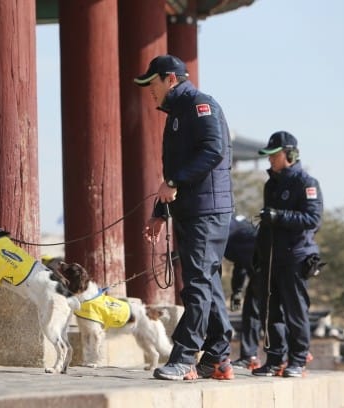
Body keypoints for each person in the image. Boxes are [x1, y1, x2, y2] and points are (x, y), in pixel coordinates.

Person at [136, 54, 235, 381]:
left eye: (152, 82)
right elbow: (173, 175)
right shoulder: (178, 112)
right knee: (208, 283)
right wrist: (160, 212)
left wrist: (175, 183)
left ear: (170, 79)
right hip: (190, 210)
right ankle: (218, 357)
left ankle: (184, 357)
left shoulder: (199, 105)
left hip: (207, 212)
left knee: (196, 286)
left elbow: (213, 150)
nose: (149, 89)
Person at [252, 131, 323, 378]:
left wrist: (279, 217)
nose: (270, 159)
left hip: (296, 256)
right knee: (270, 312)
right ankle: (274, 359)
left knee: (296, 311)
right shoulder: (270, 185)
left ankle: (298, 359)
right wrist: (258, 253)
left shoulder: (307, 183)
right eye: (268, 155)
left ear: (290, 154)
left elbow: (313, 219)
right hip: (272, 258)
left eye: (275, 154)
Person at [225, 215, 262, 370]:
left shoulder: (225, 228)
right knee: (251, 310)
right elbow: (240, 264)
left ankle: (281, 357)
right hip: (256, 267)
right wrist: (237, 290)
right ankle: (249, 356)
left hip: (265, 266)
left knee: (258, 311)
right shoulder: (237, 228)